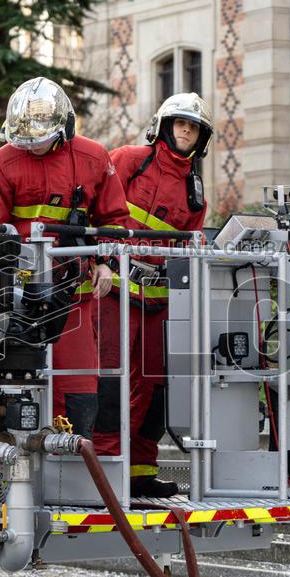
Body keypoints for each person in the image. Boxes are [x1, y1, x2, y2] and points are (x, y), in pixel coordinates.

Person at [0, 77, 129, 437]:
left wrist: (106, 263)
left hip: (72, 293)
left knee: (77, 387)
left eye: (38, 141)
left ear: (64, 128)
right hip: (10, 295)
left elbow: (114, 219)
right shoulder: (6, 160)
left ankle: (74, 463)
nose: (31, 148)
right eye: (24, 142)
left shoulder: (93, 158)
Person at [93, 93, 214, 498]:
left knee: (156, 386)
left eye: (193, 127)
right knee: (109, 379)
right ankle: (104, 468)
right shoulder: (129, 160)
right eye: (180, 123)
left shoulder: (195, 192)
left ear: (201, 138)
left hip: (158, 301)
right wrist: (99, 262)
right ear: (163, 126)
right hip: (113, 291)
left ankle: (140, 471)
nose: (186, 131)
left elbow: (188, 246)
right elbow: (97, 209)